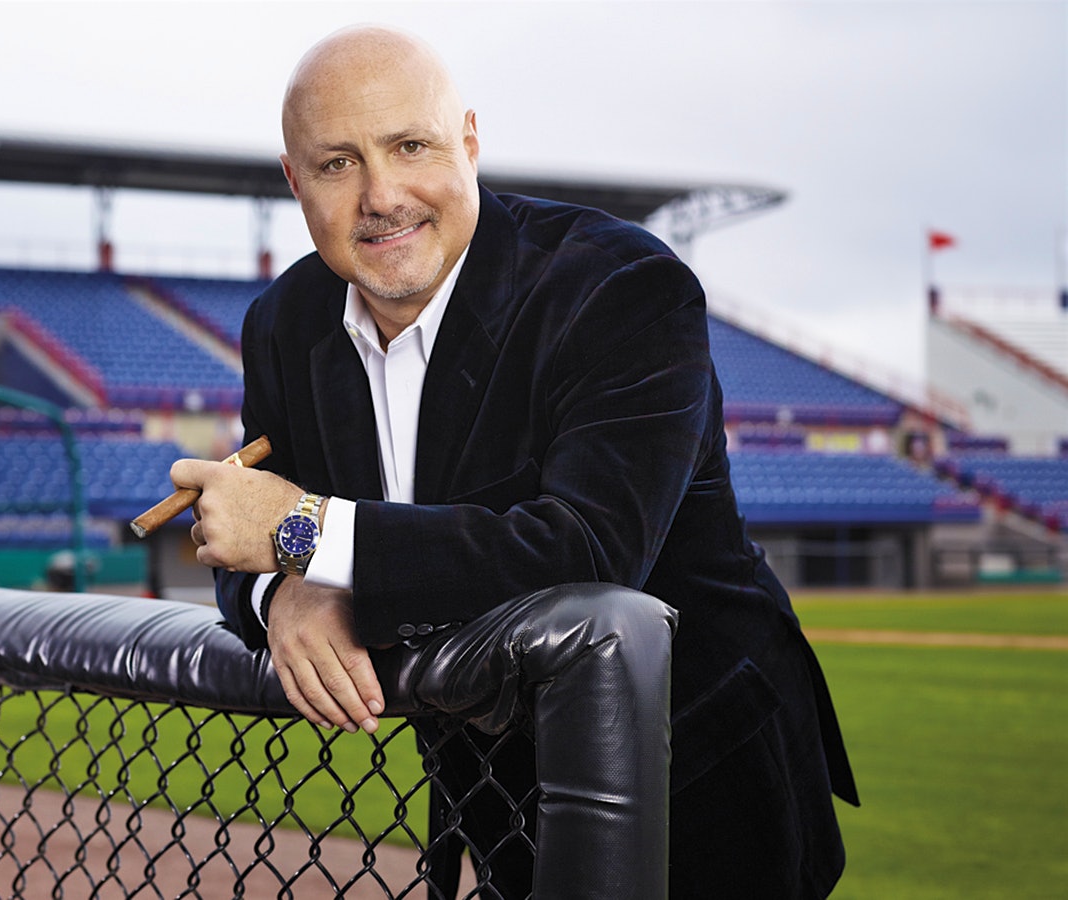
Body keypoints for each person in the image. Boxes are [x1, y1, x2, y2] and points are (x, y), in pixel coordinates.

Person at [170, 24, 857, 899]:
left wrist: (305, 537)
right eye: (338, 164)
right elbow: (250, 529)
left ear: (469, 142)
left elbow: (589, 556)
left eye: (409, 146)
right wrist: (284, 590)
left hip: (694, 779)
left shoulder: (620, 287)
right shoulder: (285, 322)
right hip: (486, 789)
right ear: (294, 181)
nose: (382, 195)